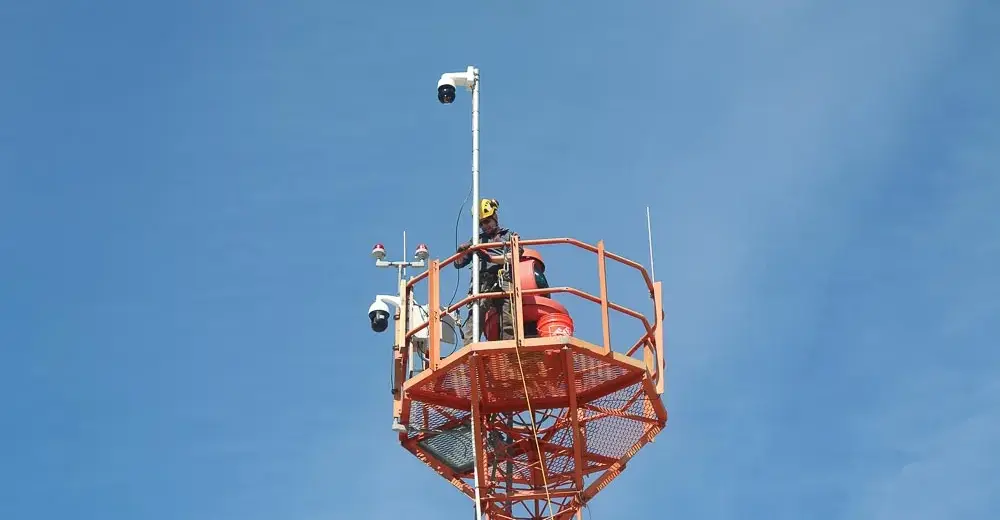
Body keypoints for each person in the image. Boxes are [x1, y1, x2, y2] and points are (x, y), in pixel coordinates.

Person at [454, 198, 519, 345]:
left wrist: (490, 258)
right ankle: (471, 352)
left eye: (488, 221)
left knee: (508, 318)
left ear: (495, 217)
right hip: (482, 283)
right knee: (474, 318)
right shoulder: (477, 240)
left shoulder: (509, 236)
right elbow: (458, 264)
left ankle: (509, 351)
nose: (485, 226)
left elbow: (514, 256)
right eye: (482, 224)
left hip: (503, 280)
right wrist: (462, 253)